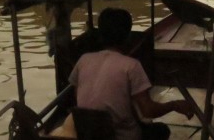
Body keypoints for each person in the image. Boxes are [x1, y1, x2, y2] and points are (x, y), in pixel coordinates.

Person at [69, 8, 193, 140]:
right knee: (162, 130)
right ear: (128, 36)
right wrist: (174, 105)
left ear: (100, 34)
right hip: (124, 136)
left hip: (88, 135)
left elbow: (79, 98)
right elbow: (148, 111)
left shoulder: (83, 60)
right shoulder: (131, 65)